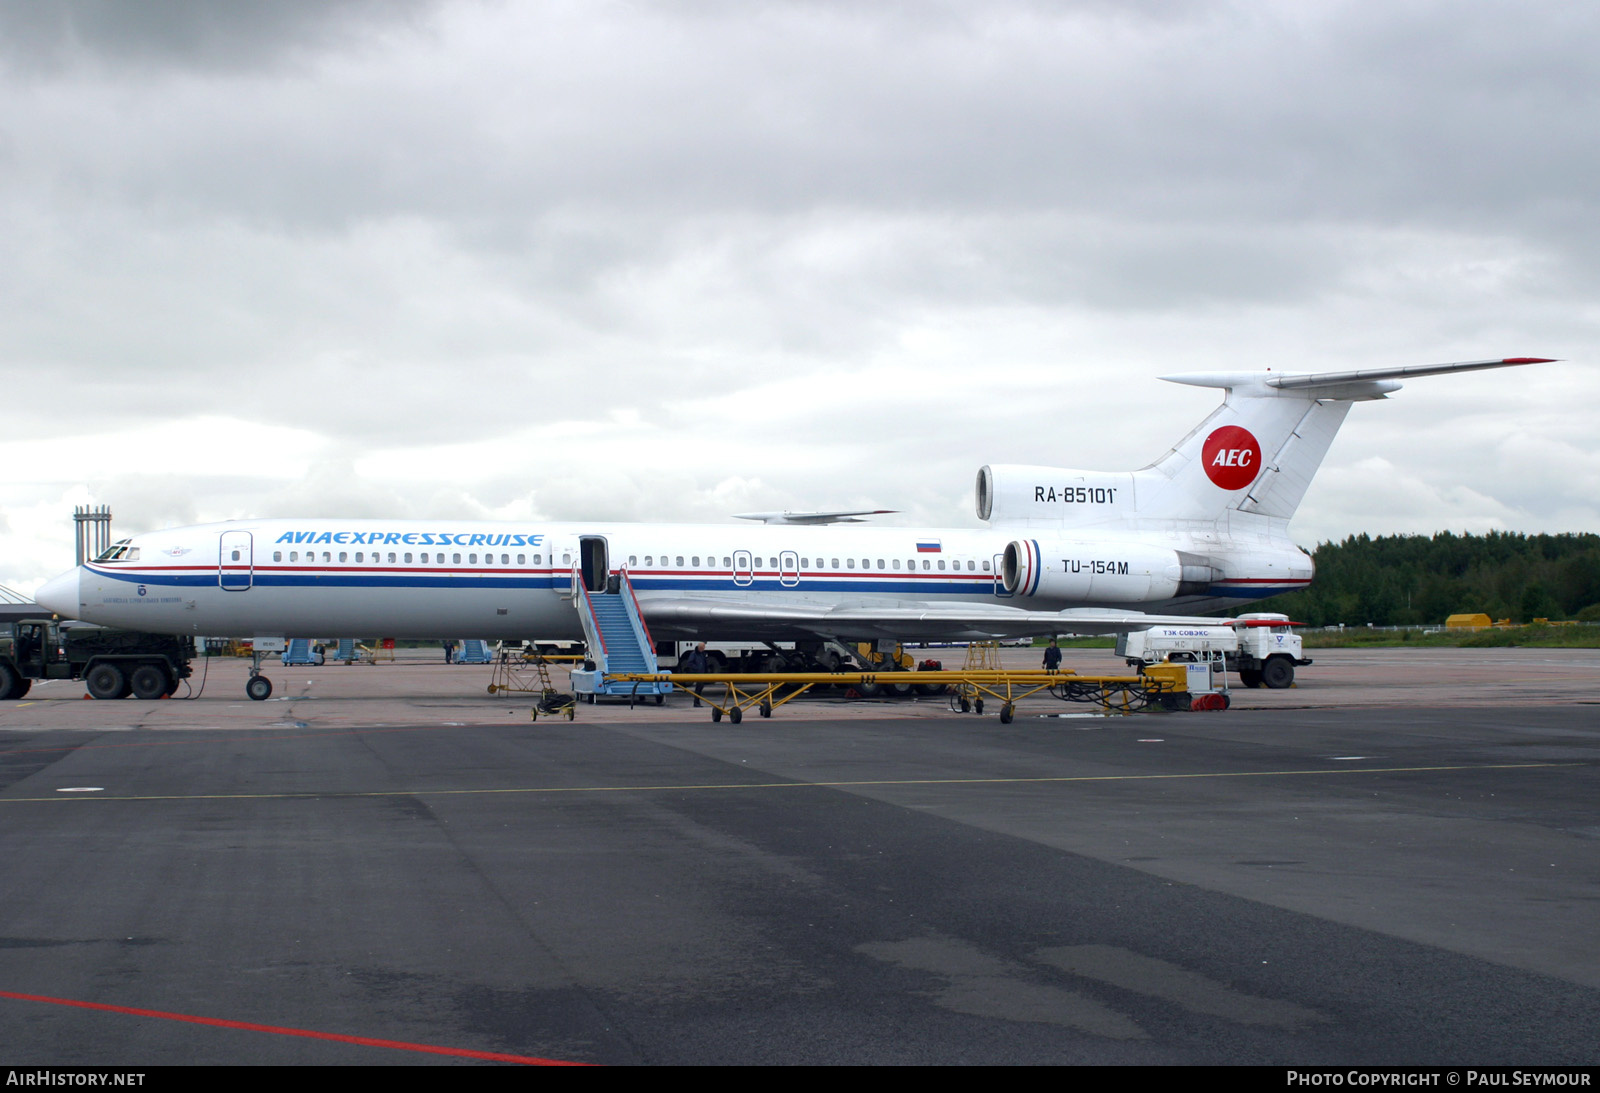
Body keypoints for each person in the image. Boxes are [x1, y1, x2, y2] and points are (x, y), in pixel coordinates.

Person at [678, 642, 710, 707]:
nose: (704, 648)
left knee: (700, 688)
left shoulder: (702, 654)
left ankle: (697, 702)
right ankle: (696, 702)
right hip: (698, 674)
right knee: (698, 689)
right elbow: (689, 663)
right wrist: (697, 668)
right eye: (703, 647)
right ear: (700, 647)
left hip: (702, 674)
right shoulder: (694, 654)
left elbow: (704, 663)